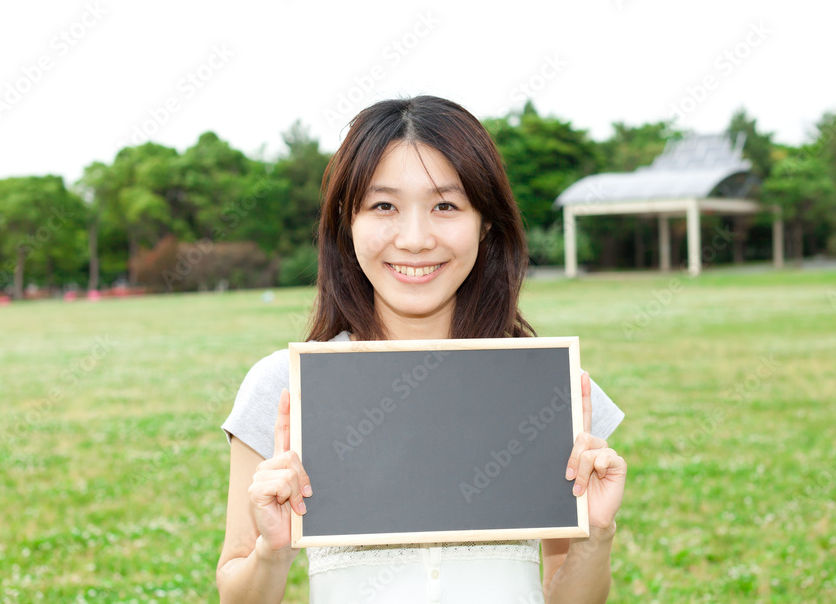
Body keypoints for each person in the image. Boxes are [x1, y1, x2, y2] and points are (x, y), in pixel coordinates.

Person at [216, 96, 627, 603]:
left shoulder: (548, 382)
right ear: (348, 224)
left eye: (446, 206)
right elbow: (236, 593)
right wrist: (271, 551)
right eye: (384, 205)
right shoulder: (283, 387)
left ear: (486, 224)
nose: (414, 239)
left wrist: (597, 531)